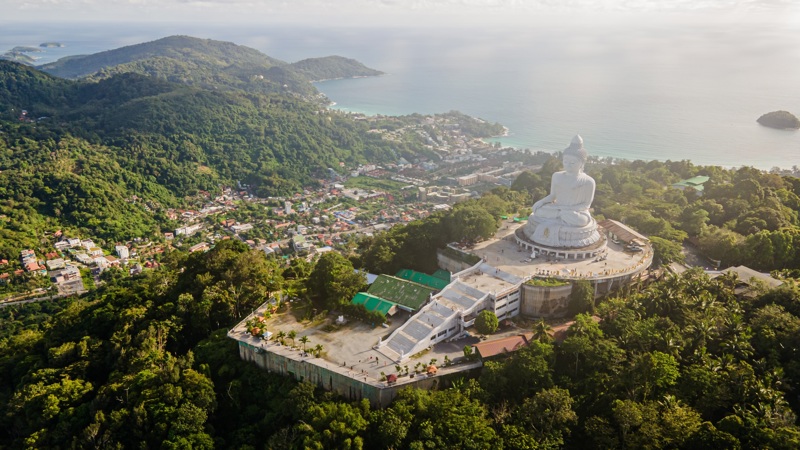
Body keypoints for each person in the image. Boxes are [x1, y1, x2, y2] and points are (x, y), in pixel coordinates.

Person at [530, 135, 595, 227]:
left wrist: (567, 209)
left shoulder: (588, 181)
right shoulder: (557, 176)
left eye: (572, 162)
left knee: (582, 221)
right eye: (565, 161)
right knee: (537, 210)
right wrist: (541, 202)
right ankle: (560, 215)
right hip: (557, 208)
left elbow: (586, 204)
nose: (568, 165)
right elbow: (553, 196)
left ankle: (560, 215)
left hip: (574, 212)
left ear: (582, 163)